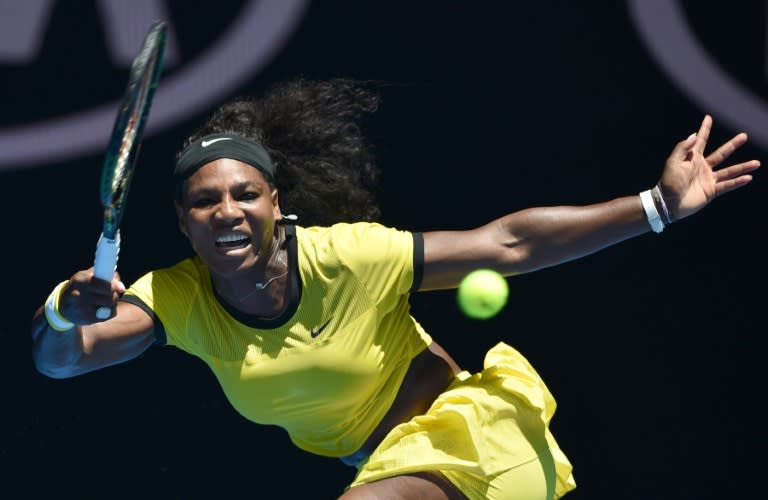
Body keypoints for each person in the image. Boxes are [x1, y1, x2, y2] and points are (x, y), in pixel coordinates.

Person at [31, 78, 759, 500]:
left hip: (473, 443)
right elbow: (59, 361)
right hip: (392, 475)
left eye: (244, 194)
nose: (226, 211)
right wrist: (64, 310)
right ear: (183, 223)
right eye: (204, 202)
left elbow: (507, 244)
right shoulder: (177, 299)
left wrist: (657, 207)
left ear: (275, 204)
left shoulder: (349, 257)